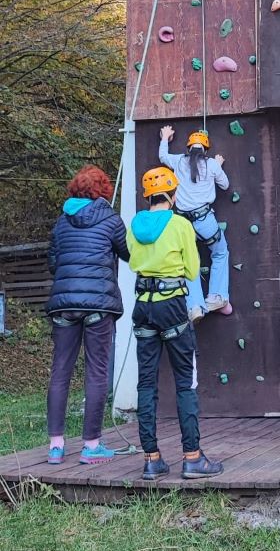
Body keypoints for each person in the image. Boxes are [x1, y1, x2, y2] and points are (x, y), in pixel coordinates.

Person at [127, 166, 223, 480]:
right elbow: (193, 270)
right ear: (173, 194)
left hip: (143, 306)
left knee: (146, 383)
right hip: (172, 306)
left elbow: (132, 260)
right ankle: (192, 457)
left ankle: (151, 459)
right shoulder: (180, 224)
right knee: (185, 382)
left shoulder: (135, 224)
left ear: (148, 196)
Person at [46, 165, 129, 465]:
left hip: (64, 304)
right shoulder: (110, 219)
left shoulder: (60, 222)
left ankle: (55, 446)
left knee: (60, 371)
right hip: (98, 305)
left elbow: (54, 264)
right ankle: (91, 445)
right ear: (103, 191)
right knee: (96, 372)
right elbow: (128, 253)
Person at [159, 124, 230, 322]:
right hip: (205, 220)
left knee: (190, 263)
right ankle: (216, 297)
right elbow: (225, 185)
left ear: (188, 147)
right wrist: (218, 165)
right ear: (206, 150)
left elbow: (163, 157)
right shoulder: (212, 165)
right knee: (220, 252)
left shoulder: (179, 161)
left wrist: (165, 137)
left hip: (183, 222)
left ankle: (195, 307)